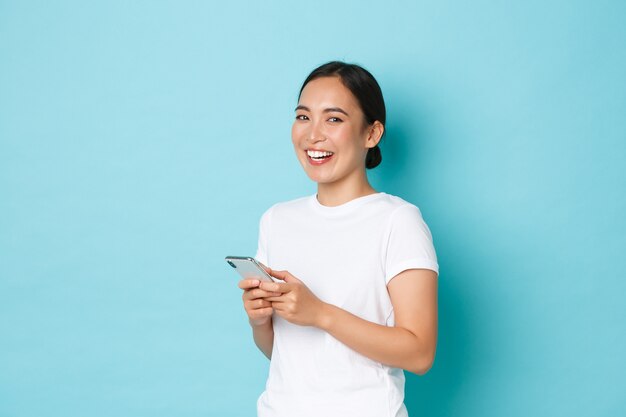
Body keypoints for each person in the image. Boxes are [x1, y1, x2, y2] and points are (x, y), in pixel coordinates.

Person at [238, 61, 439, 417]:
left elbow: (420, 353)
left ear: (372, 134)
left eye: (334, 119)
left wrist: (320, 314)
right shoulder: (276, 220)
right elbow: (283, 353)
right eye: (303, 117)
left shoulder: (398, 221)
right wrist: (260, 321)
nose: (313, 134)